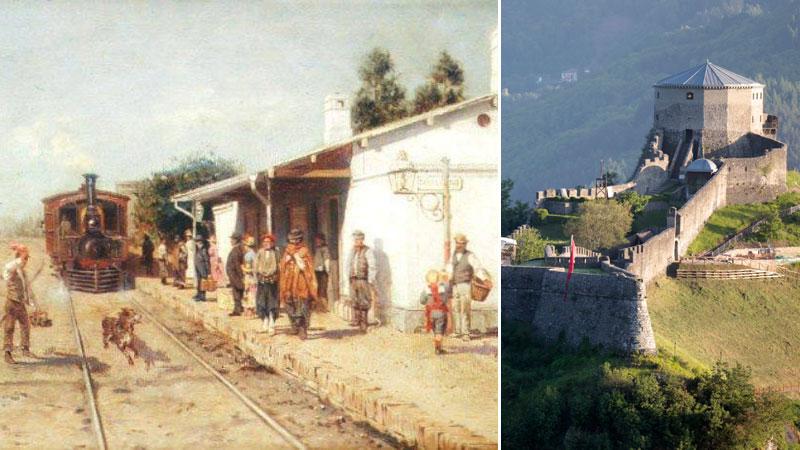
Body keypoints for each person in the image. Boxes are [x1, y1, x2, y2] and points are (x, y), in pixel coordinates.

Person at [279, 228, 317, 339]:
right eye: (292, 240)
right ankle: (294, 325)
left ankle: (303, 328)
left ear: (300, 240)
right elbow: (283, 265)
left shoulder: (304, 250)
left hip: (301, 282)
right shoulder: (287, 251)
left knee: (303, 305)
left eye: (296, 240)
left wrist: (297, 259)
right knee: (289, 304)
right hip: (289, 282)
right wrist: (285, 263)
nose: (294, 242)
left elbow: (307, 267)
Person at [446, 233, 484, 341]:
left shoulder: (470, 255)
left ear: (465, 244)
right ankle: (457, 331)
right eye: (457, 243)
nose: (459, 245)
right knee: (455, 308)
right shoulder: (453, 255)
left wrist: (484, 279)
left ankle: (466, 333)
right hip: (455, 285)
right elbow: (449, 268)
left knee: (465, 309)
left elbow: (478, 268)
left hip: (465, 285)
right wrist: (447, 276)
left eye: (461, 243)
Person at [3, 244, 37, 364]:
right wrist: (20, 252)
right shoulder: (10, 269)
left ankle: (25, 348)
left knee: (25, 326)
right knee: (9, 328)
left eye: (27, 259)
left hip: (20, 304)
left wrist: (33, 303)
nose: (26, 261)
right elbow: (9, 266)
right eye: (25, 259)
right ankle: (7, 354)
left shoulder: (23, 272)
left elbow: (28, 289)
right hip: (12, 303)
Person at [345, 230, 376, 333]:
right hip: (353, 279)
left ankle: (364, 323)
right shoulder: (352, 250)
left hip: (363, 279)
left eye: (359, 239)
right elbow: (348, 264)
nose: (357, 241)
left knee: (364, 301)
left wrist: (371, 280)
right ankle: (356, 321)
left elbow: (372, 266)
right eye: (355, 239)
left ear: (362, 239)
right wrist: (348, 276)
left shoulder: (368, 251)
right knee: (354, 300)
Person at [420, 270, 451, 355]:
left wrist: (428, 302)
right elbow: (445, 299)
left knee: (435, 330)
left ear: (427, 280)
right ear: (438, 279)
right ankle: (438, 348)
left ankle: (438, 346)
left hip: (430, 314)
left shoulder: (426, 290)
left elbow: (422, 301)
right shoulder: (442, 289)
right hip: (441, 313)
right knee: (439, 331)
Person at [255, 234, 279, 335]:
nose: (266, 244)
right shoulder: (260, 252)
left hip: (272, 281)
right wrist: (260, 272)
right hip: (262, 281)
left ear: (272, 243)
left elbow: (276, 266)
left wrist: (269, 273)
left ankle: (272, 324)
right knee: (262, 301)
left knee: (272, 301)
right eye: (264, 242)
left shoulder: (276, 252)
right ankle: (264, 321)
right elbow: (256, 264)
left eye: (268, 242)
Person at [225, 232, 246, 316]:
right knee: (237, 291)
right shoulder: (237, 249)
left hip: (235, 275)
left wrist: (241, 276)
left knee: (236, 291)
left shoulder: (236, 250)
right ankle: (239, 307)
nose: (231, 241)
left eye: (232, 239)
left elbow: (237, 265)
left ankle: (237, 310)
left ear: (236, 240)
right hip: (233, 274)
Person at [313, 234, 331, 311]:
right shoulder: (317, 248)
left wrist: (327, 270)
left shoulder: (325, 249)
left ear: (322, 240)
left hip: (323, 272)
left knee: (323, 289)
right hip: (316, 271)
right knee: (317, 289)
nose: (317, 241)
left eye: (319, 240)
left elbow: (326, 260)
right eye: (317, 240)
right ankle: (318, 307)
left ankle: (323, 307)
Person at [193, 236, 210, 302]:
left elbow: (206, 260)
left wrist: (208, 271)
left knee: (203, 282)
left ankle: (202, 297)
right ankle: (198, 294)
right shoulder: (199, 249)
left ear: (199, 242)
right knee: (199, 281)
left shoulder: (204, 250)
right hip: (198, 267)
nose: (196, 243)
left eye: (196, 241)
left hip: (202, 268)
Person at [243, 235, 258, 313]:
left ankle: (250, 310)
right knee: (253, 292)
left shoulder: (248, 255)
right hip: (254, 277)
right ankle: (254, 309)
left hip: (249, 277)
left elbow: (248, 269)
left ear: (247, 246)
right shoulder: (255, 254)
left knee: (249, 293)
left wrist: (243, 268)